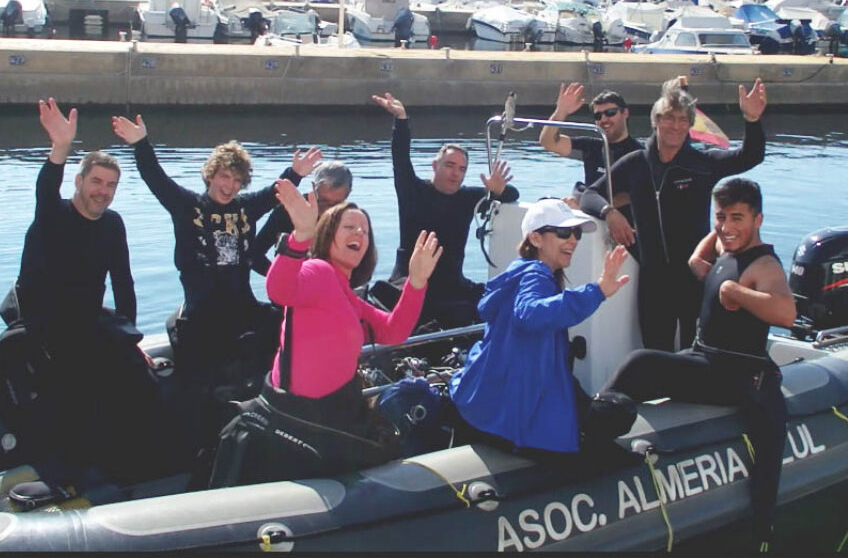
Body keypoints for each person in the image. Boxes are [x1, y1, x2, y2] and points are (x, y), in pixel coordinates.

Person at [596, 178, 795, 549]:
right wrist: (714, 241)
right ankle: (597, 426)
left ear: (759, 219)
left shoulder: (764, 265)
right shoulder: (726, 245)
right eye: (720, 217)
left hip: (739, 377)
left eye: (738, 217)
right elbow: (698, 260)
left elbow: (786, 313)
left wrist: (735, 291)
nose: (726, 226)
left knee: (641, 362)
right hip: (703, 357)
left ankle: (592, 430)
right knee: (641, 370)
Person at [207, 180, 442, 487]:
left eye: (365, 231)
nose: (360, 233)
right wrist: (300, 236)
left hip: (330, 418)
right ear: (329, 233)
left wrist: (417, 282)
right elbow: (278, 290)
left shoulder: (349, 296)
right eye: (350, 227)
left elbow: (394, 331)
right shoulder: (317, 271)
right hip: (296, 421)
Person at [6, 98, 156, 494]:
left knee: (139, 380)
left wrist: (132, 337)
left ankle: (128, 469)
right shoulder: (52, 216)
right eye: (96, 182)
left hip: (89, 320)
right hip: (46, 326)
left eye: (110, 185)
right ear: (79, 181)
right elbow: (44, 188)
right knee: (73, 392)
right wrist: (60, 149)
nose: (102, 192)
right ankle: (68, 476)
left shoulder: (113, 224)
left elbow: (124, 285)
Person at [111, 114, 321, 390]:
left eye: (237, 180)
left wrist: (296, 173)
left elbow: (275, 193)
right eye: (224, 176)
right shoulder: (188, 207)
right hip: (202, 313)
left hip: (242, 306)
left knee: (283, 321)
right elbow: (157, 179)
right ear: (211, 175)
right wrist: (141, 144)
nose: (229, 185)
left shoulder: (245, 208)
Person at [580, 77, 768, 351]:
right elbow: (590, 195)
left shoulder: (702, 164)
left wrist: (752, 120)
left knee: (700, 350)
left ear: (690, 125)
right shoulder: (636, 164)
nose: (675, 126)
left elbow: (750, 156)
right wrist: (610, 213)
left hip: (696, 275)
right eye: (669, 118)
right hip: (653, 280)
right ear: (656, 120)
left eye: (682, 119)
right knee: (656, 350)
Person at [448, 198, 630, 456]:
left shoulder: (519, 271)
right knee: (620, 414)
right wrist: (597, 291)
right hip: (517, 412)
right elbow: (529, 314)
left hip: (488, 404)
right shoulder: (536, 274)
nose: (573, 241)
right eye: (564, 232)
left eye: (576, 233)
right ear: (535, 239)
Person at [373, 91, 519, 328]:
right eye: (450, 165)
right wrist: (401, 119)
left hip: (451, 284)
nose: (455, 173)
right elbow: (400, 157)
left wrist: (498, 190)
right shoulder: (412, 190)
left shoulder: (469, 197)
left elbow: (512, 195)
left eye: (461, 169)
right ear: (435, 165)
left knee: (500, 302)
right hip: (410, 279)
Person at [538, 84, 643, 231]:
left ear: (625, 113)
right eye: (598, 116)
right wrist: (561, 112)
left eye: (610, 113)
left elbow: (633, 195)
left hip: (624, 227)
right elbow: (548, 142)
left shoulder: (640, 153)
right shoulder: (591, 147)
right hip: (590, 222)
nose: (604, 119)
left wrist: (583, 204)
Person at [251, 160, 352, 276]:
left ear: (348, 194)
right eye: (323, 202)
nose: (328, 210)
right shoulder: (287, 211)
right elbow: (254, 255)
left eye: (336, 205)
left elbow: (363, 263)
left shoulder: (353, 220)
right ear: (314, 187)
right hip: (290, 286)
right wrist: (277, 277)